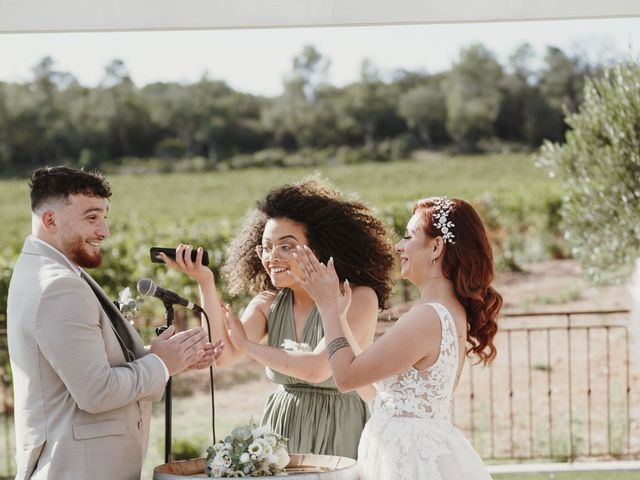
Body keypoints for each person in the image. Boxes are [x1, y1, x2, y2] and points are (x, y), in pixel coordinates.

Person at [7, 166, 223, 480]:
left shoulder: (38, 269)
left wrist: (173, 358)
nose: (104, 231)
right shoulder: (58, 287)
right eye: (92, 218)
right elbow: (97, 392)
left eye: (104, 217)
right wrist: (161, 366)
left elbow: (83, 367)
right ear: (50, 220)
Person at [160, 178, 395, 459]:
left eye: (286, 246)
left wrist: (249, 346)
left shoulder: (357, 297)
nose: (272, 257)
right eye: (266, 247)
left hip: (340, 425)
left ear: (318, 248)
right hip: (281, 426)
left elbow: (318, 369)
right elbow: (223, 355)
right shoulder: (267, 303)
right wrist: (205, 282)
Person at [289, 196, 502, 479]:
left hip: (408, 461)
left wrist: (326, 307)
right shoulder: (448, 312)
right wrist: (340, 318)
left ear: (437, 246)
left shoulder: (427, 317)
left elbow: (346, 377)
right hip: (404, 451)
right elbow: (375, 391)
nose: (399, 246)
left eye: (408, 236)